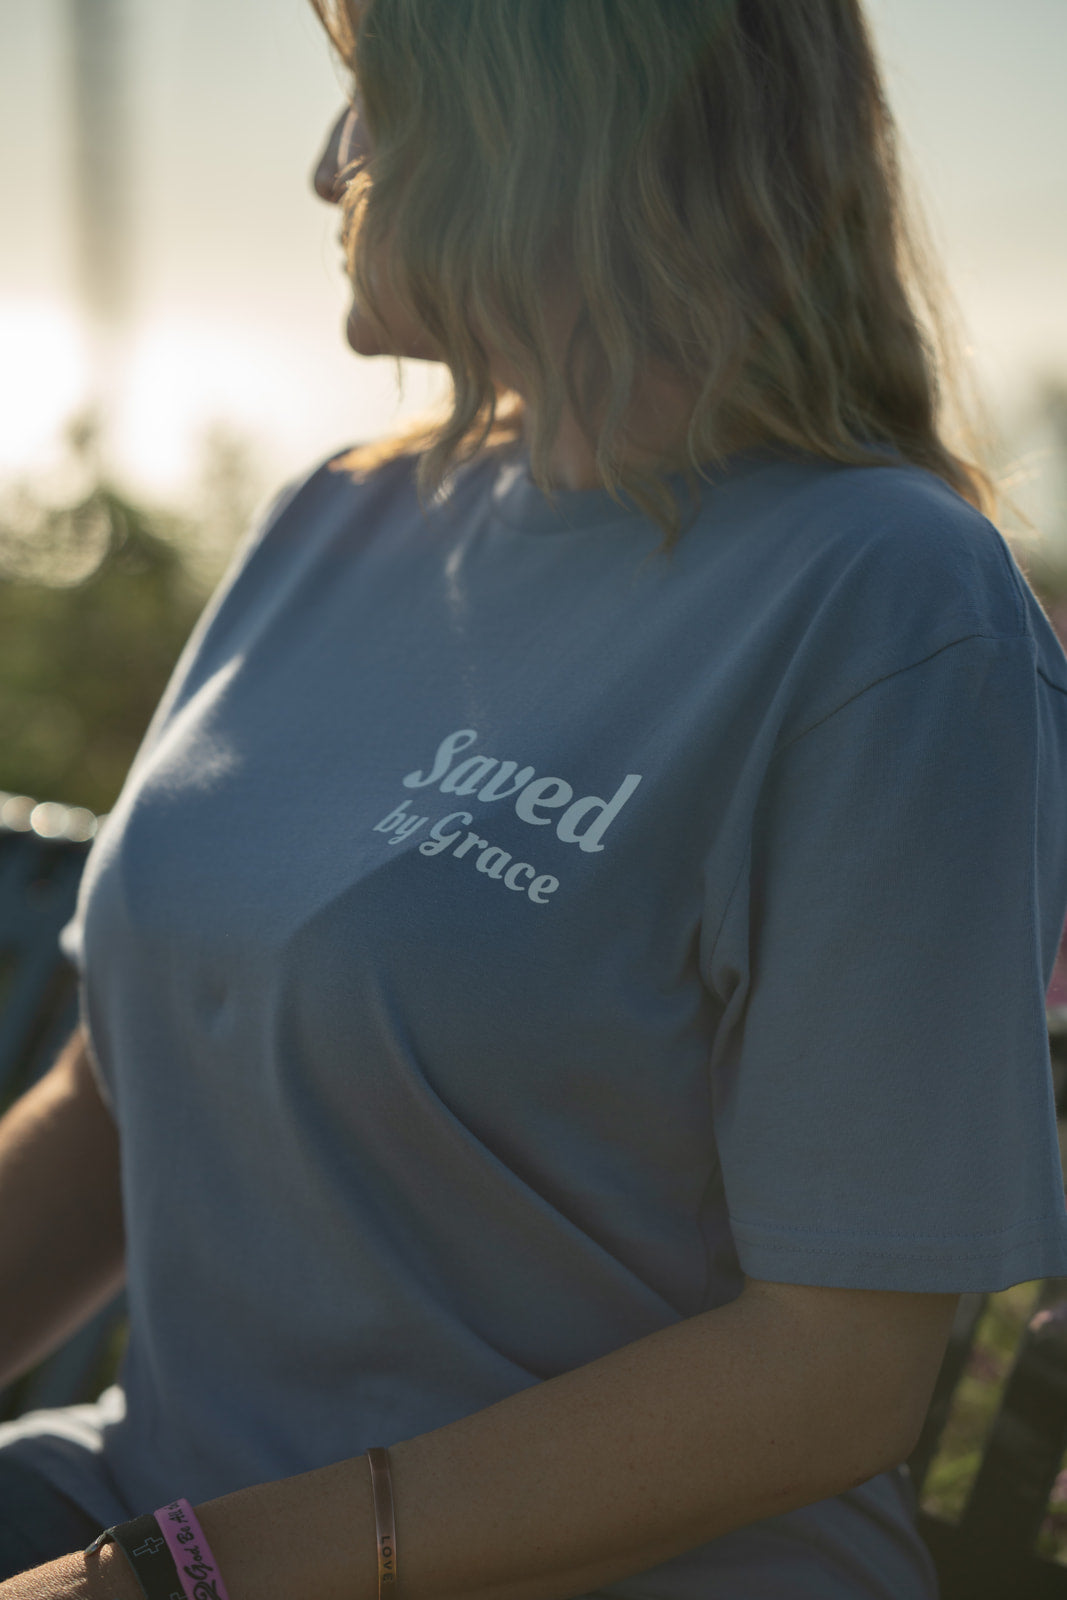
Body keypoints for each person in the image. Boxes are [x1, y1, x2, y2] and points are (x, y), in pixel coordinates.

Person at [2, 2, 1067, 1597]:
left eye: (373, 101)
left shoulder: (890, 604)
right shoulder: (331, 525)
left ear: (559, 127)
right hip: (155, 1510)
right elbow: (113, 1098)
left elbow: (834, 1366)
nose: (329, 168)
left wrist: (190, 1577)